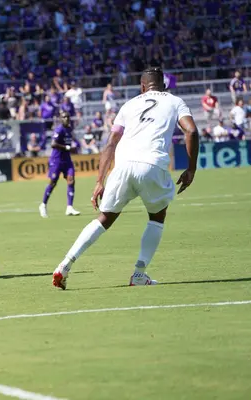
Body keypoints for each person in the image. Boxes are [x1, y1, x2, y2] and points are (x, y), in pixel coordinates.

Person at [52, 67, 199, 289]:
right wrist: (191, 169)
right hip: (151, 164)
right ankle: (139, 274)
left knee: (104, 219)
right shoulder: (174, 101)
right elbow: (192, 131)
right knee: (157, 216)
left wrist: (99, 181)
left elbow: (111, 142)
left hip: (122, 167)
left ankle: (64, 265)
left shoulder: (129, 105)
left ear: (142, 87)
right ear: (164, 86)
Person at [39, 111, 81, 218]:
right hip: (57, 160)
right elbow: (53, 144)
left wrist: (75, 146)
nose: (66, 118)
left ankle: (69, 207)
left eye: (67, 116)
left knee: (71, 179)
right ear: (61, 119)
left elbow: (72, 141)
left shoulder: (69, 129)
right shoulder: (59, 129)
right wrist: (67, 148)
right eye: (64, 117)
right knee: (53, 182)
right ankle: (43, 204)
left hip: (67, 159)